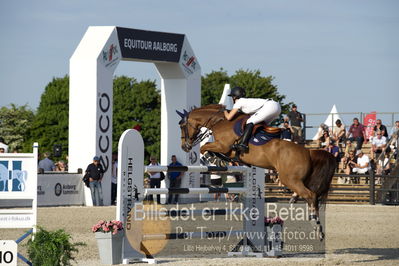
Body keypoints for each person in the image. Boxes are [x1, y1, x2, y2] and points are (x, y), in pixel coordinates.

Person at [224, 86, 281, 152]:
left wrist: (224, 110)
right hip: (277, 107)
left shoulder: (239, 102)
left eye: (232, 97)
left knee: (250, 121)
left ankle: (243, 144)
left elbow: (229, 117)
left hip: (270, 106)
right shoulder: (245, 101)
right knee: (261, 125)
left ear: (234, 97)